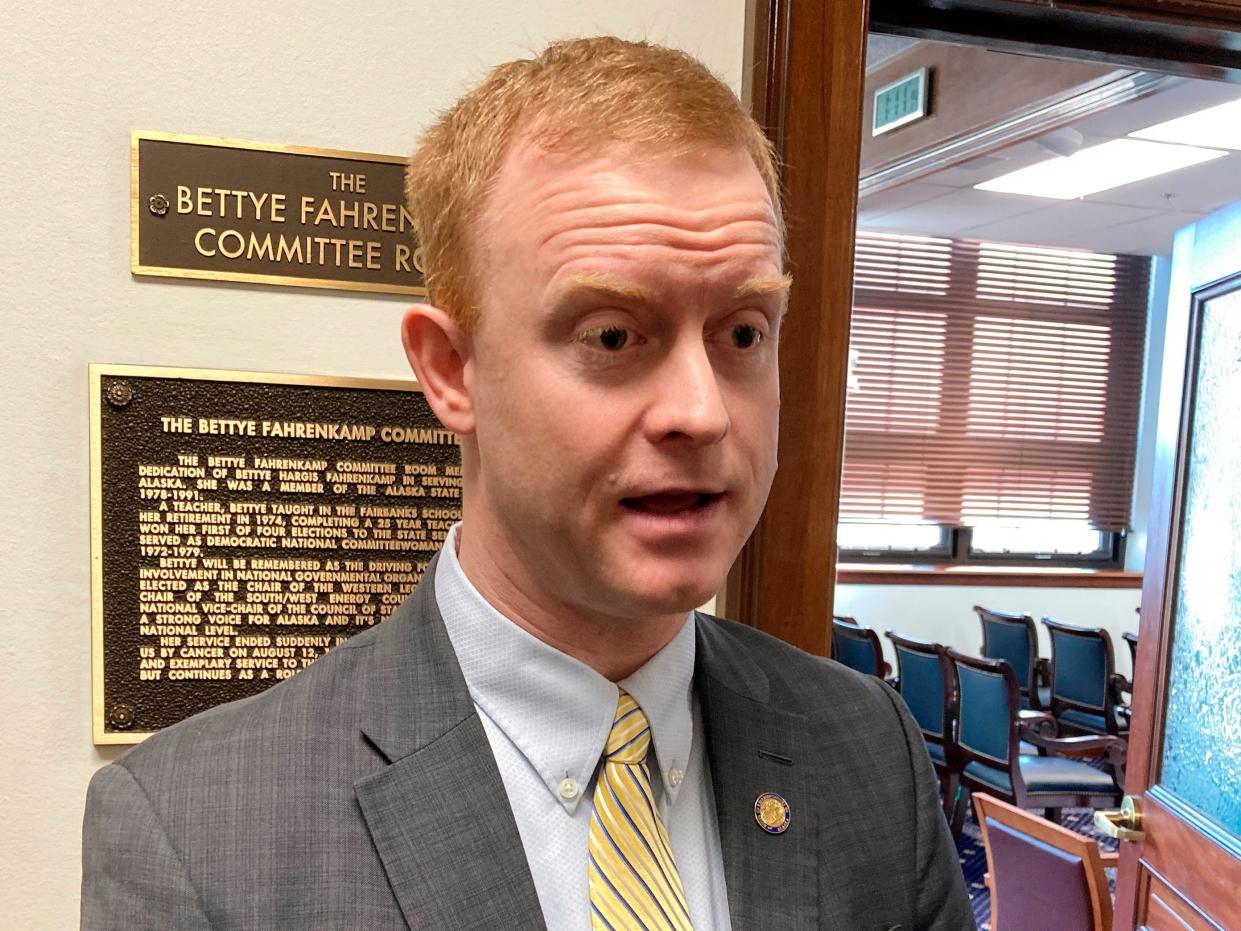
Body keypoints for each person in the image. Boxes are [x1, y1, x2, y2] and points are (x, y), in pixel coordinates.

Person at [82, 37, 974, 930]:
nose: (701, 413)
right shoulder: (195, 833)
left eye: (742, 333)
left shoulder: (865, 746)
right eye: (614, 337)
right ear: (451, 372)